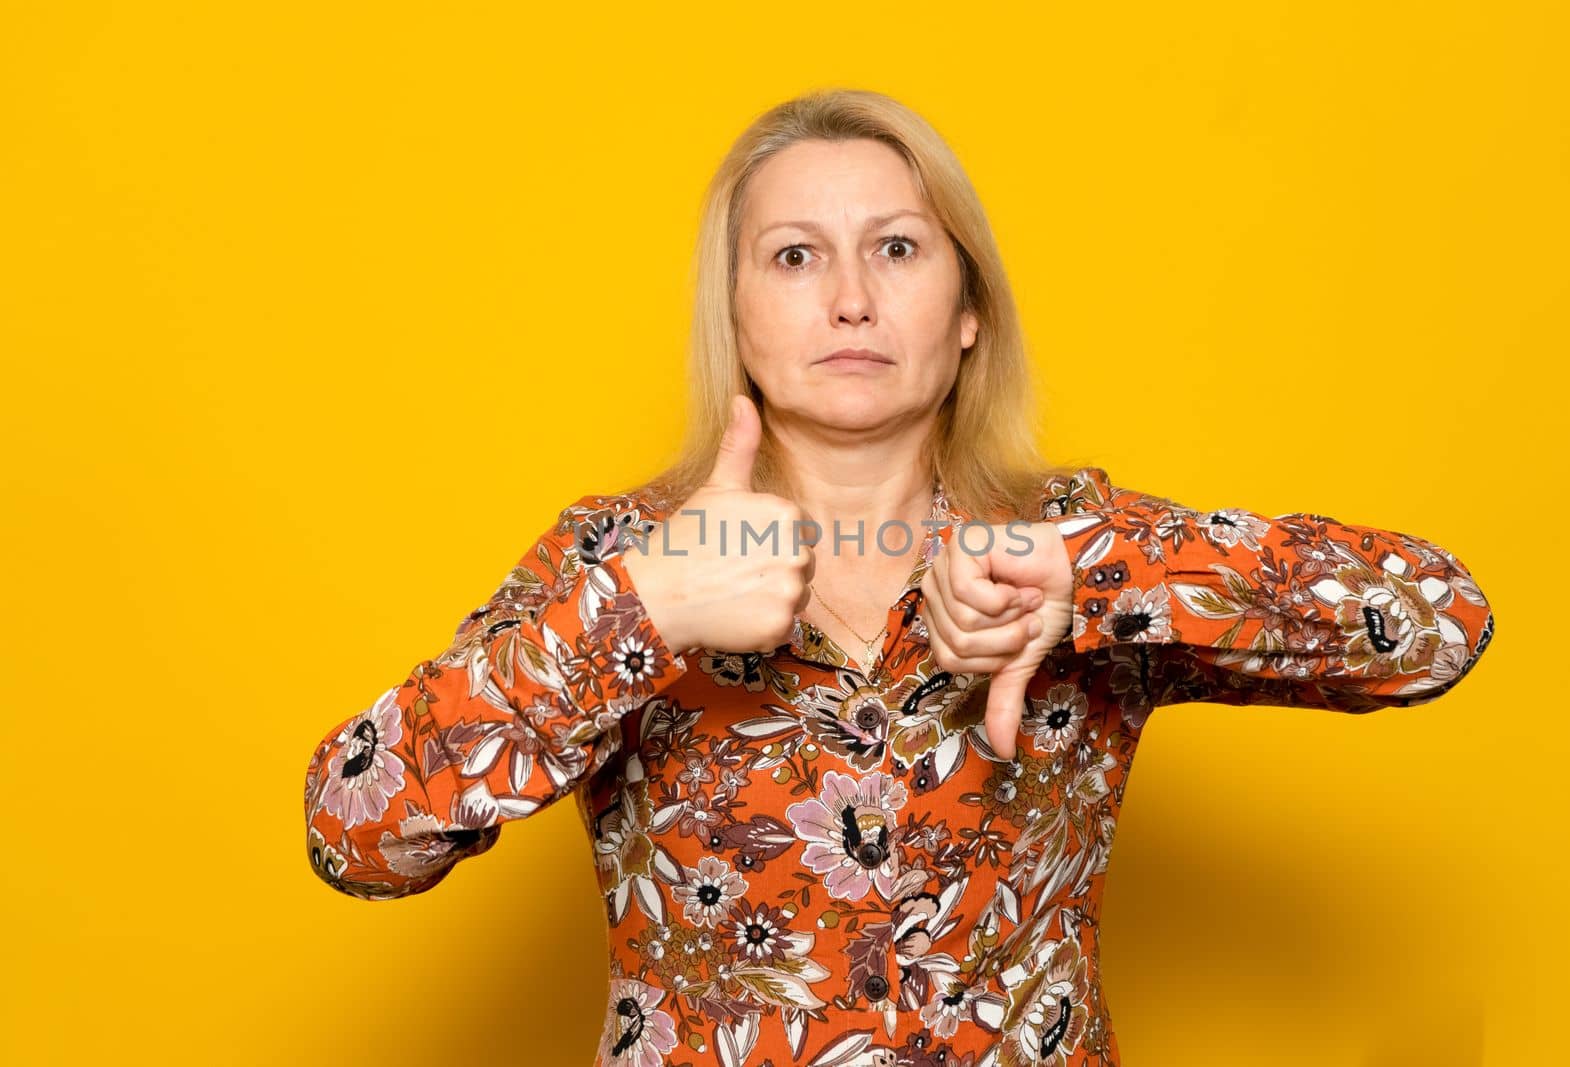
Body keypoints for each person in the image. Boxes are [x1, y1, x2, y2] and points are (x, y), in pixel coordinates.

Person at [301, 88, 1496, 1067]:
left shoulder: (1068, 538)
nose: (851, 297)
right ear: (736, 307)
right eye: (792, 255)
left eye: (897, 246)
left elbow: (1438, 621)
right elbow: (356, 831)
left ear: (967, 305)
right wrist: (639, 609)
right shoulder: (621, 555)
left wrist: (1093, 577)